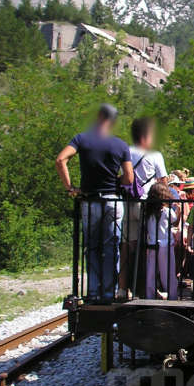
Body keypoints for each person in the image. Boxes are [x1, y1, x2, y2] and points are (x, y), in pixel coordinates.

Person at [55, 104, 133, 303]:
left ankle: (93, 292)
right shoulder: (120, 145)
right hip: (113, 201)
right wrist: (114, 181)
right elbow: (129, 179)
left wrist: (70, 188)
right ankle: (109, 293)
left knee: (91, 246)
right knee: (111, 246)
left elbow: (60, 160)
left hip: (90, 200)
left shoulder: (82, 139)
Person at [119, 117, 168, 300]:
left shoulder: (125, 152)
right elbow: (163, 183)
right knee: (148, 247)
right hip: (146, 204)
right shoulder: (154, 155)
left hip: (126, 202)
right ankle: (148, 288)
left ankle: (123, 288)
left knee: (126, 246)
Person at [145, 181, 180, 300]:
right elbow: (174, 220)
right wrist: (178, 210)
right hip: (165, 244)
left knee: (151, 272)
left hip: (152, 243)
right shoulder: (167, 211)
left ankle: (149, 295)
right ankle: (172, 295)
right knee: (168, 272)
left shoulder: (147, 211)